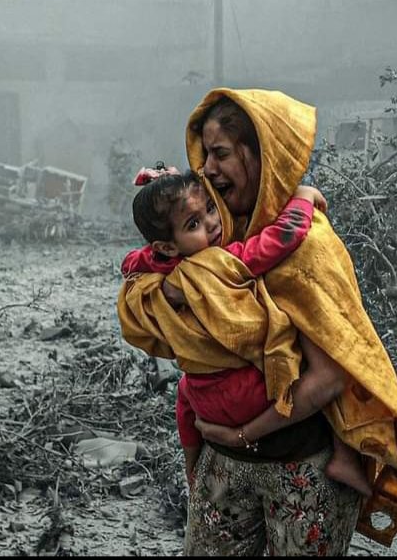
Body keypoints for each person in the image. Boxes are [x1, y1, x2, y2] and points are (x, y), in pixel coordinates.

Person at [117, 89, 397, 556]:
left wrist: (242, 434)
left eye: (221, 153)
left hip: (303, 471)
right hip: (222, 467)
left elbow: (329, 375)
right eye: (204, 156)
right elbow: (140, 318)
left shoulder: (306, 246)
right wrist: (167, 289)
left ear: (260, 153)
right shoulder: (212, 238)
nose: (207, 169)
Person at [122, 166, 372, 499]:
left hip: (204, 404)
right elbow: (280, 239)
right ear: (167, 246)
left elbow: (130, 264)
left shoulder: (161, 267)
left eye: (210, 208)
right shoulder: (220, 261)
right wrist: (304, 198)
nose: (212, 224)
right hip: (250, 400)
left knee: (184, 390)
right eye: (193, 224)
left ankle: (193, 469)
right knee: (313, 360)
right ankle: (344, 456)